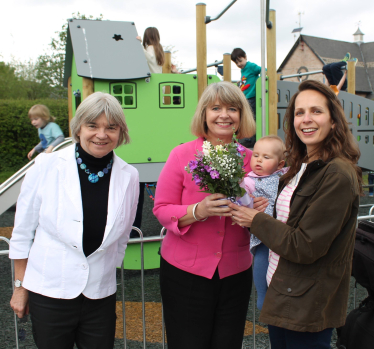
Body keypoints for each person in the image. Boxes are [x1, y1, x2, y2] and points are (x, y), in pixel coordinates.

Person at [229, 80, 361, 349]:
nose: (306, 119)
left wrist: (255, 220)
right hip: (284, 289)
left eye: (316, 111)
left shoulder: (336, 173)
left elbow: (306, 245)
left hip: (306, 300)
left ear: (334, 121)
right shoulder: (300, 167)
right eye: (299, 113)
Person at [9, 92, 139, 349]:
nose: (101, 134)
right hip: (49, 292)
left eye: (111, 128)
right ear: (78, 128)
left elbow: (123, 235)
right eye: (93, 125)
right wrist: (20, 287)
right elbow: (23, 232)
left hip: (99, 295)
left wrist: (104, 272)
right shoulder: (46, 165)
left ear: (120, 133)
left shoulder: (130, 175)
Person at [153, 81, 256, 349]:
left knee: (228, 342)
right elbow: (162, 209)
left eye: (232, 108)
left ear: (241, 116)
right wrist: (198, 211)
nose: (224, 115)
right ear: (204, 115)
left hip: (235, 272)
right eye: (216, 108)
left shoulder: (253, 160)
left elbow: (264, 212)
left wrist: (259, 213)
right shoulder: (181, 155)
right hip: (184, 272)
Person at [241, 135, 287, 311]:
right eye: (255, 155)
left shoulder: (285, 176)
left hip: (284, 234)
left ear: (280, 164)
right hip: (263, 237)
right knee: (261, 267)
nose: (259, 160)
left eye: (266, 157)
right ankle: (263, 301)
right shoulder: (248, 181)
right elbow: (240, 198)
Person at [231, 47, 261, 148]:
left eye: (240, 60)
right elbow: (246, 81)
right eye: (236, 63)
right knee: (245, 116)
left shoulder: (250, 66)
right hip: (246, 97)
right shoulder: (243, 70)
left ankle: (250, 138)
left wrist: (261, 81)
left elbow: (263, 70)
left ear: (245, 57)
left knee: (251, 117)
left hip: (252, 97)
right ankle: (245, 136)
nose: (239, 64)